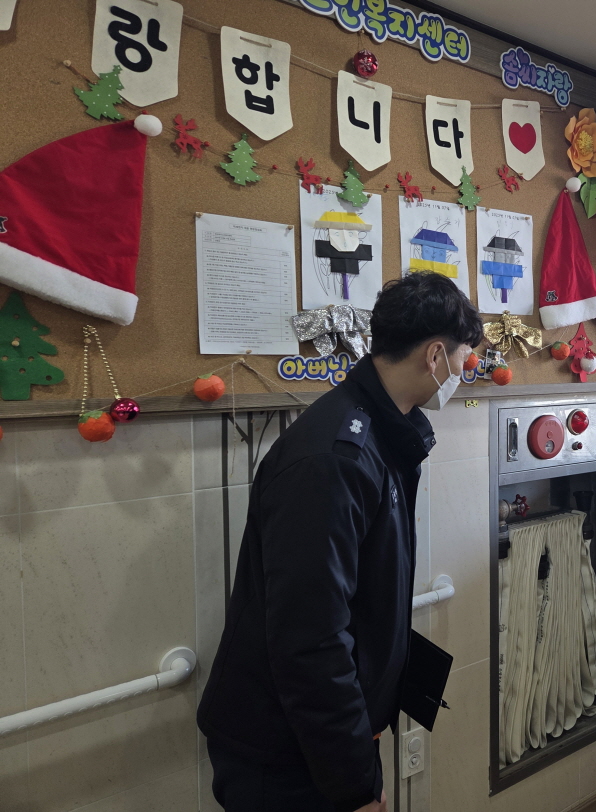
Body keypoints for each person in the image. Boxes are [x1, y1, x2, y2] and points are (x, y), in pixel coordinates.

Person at [197, 272, 483, 812]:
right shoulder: (333, 460)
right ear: (435, 356)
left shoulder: (382, 431)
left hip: (327, 740)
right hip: (287, 755)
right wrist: (354, 785)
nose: (464, 374)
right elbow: (312, 641)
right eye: (464, 359)